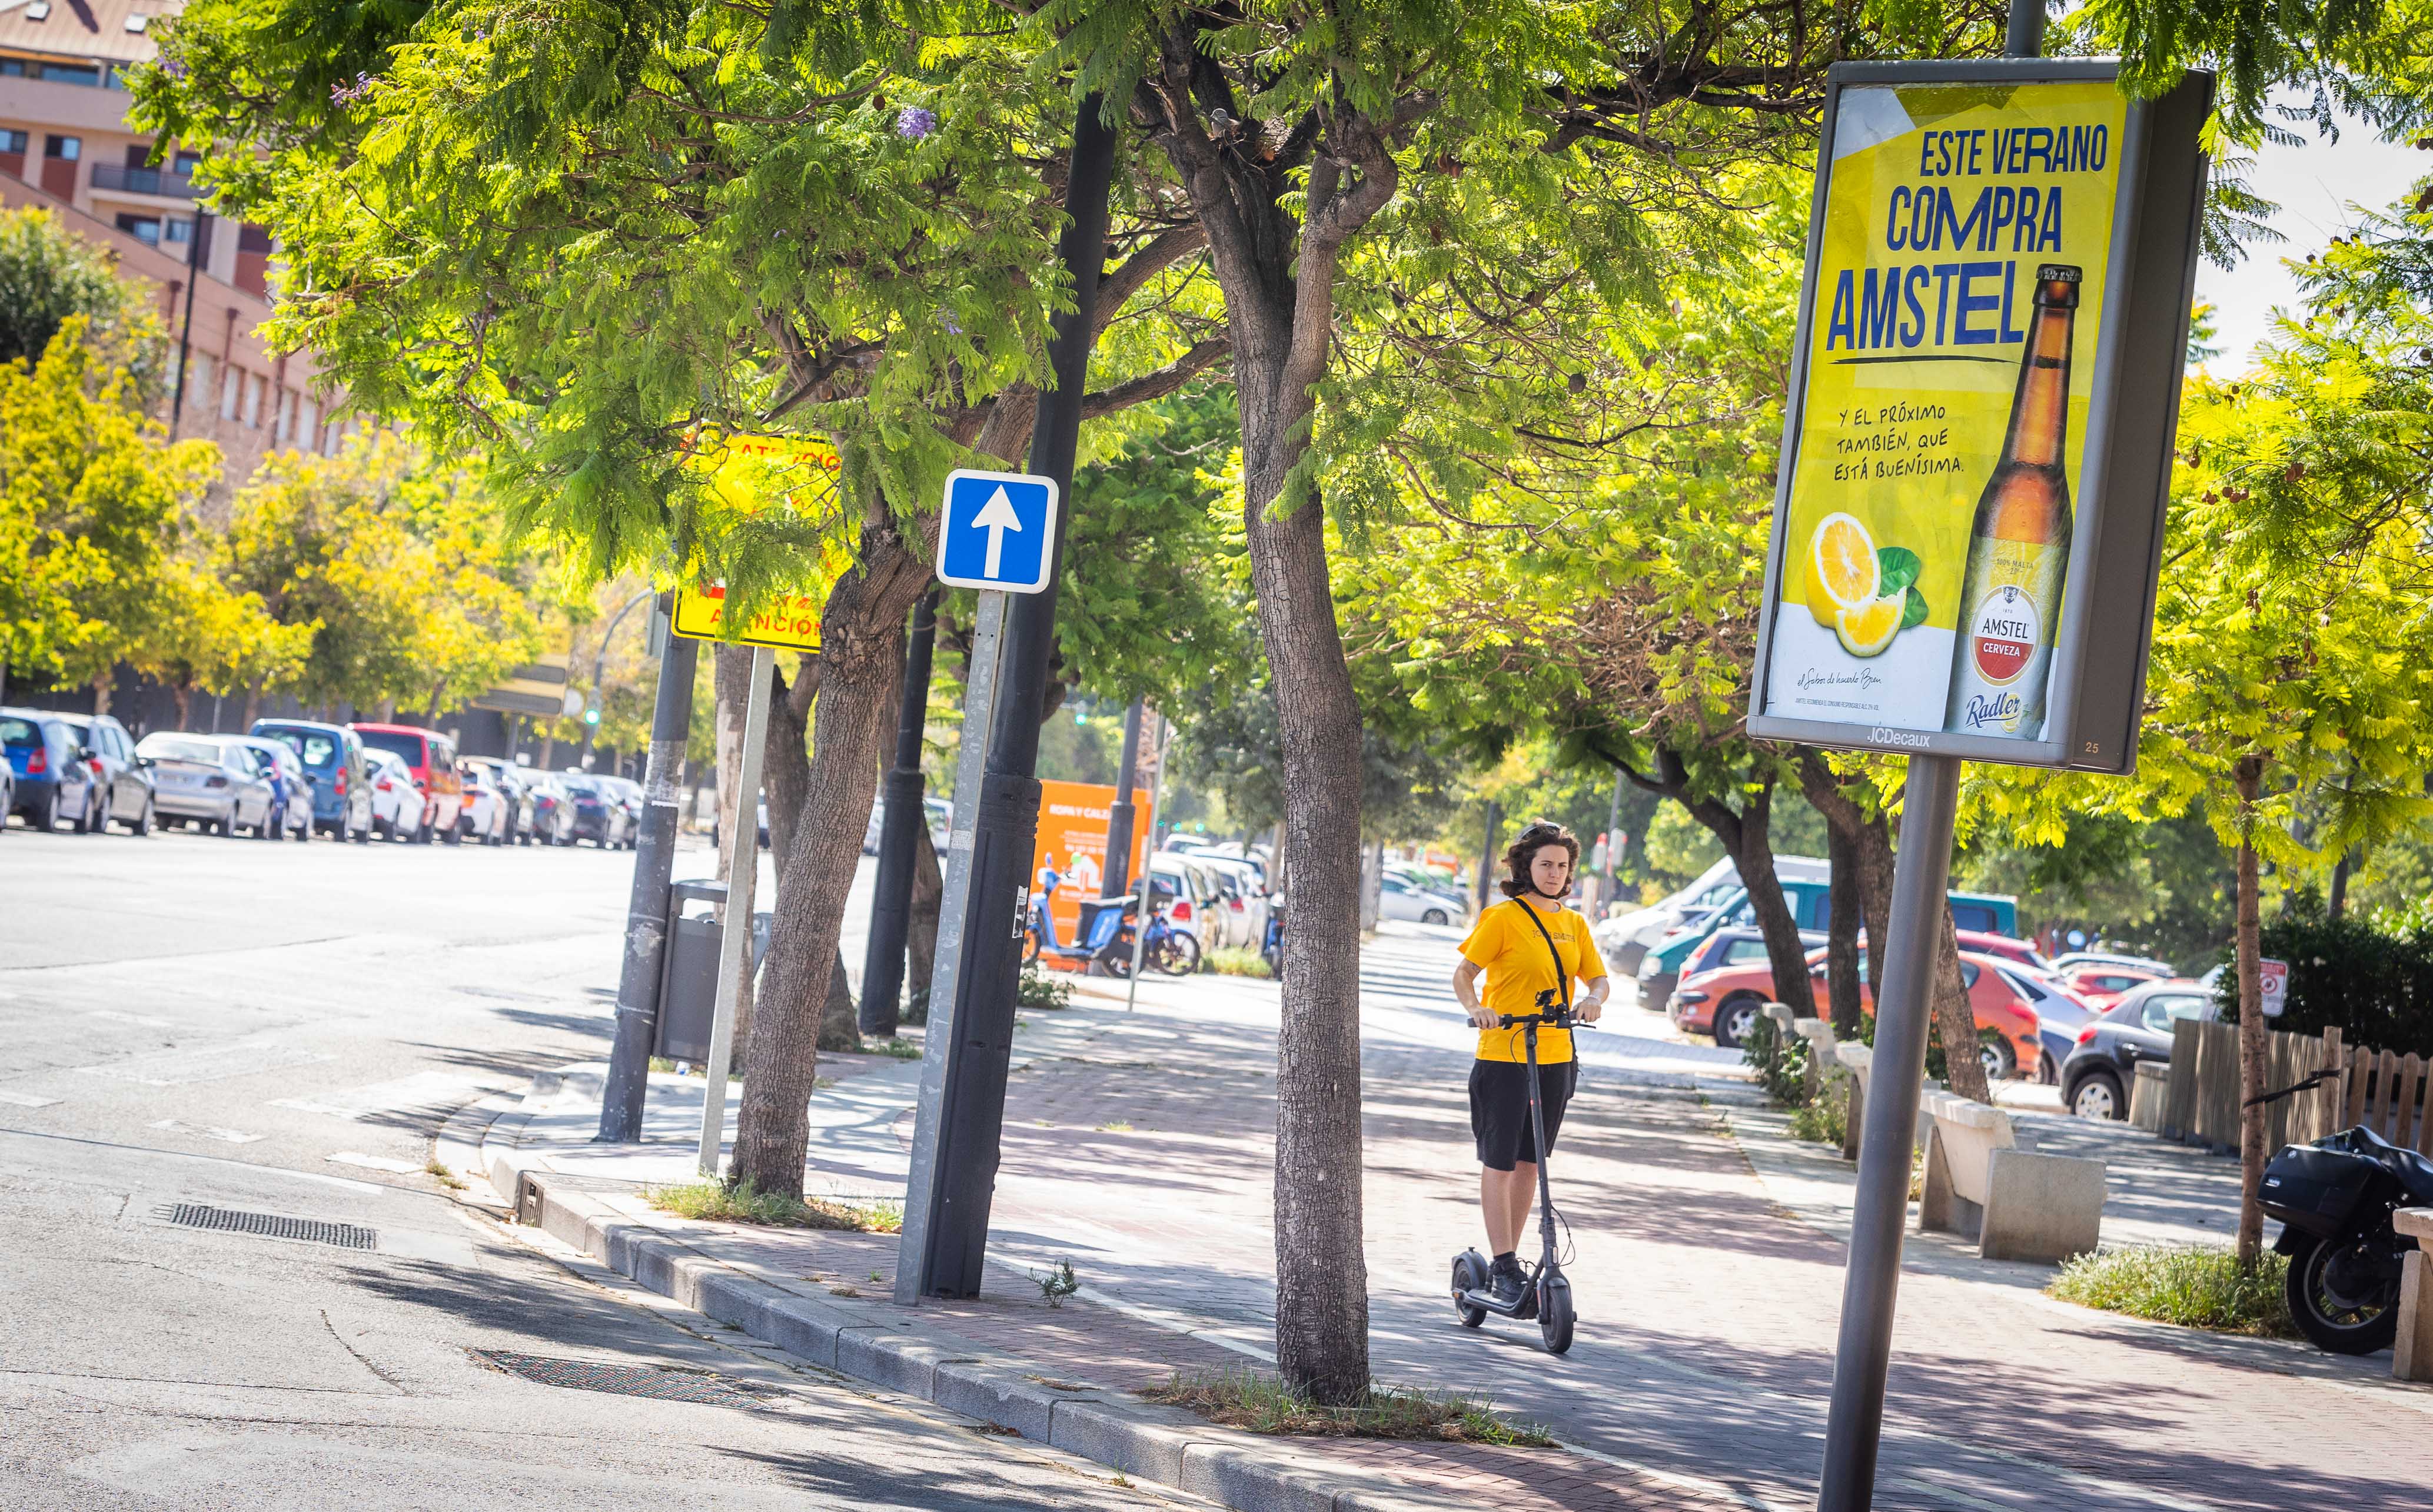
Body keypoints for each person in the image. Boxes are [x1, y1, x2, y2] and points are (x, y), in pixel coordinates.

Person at [1450, 820, 1610, 1305]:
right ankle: (1500, 1265)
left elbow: (1599, 979)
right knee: (1500, 1159)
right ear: (1527, 866)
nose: (1555, 873)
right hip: (1504, 1054)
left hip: (1556, 1056)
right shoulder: (1502, 918)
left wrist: (1594, 999)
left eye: (1562, 866)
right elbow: (1464, 974)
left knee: (1530, 1161)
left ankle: (1512, 1260)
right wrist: (1477, 1008)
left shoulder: (1575, 924)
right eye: (1546, 864)